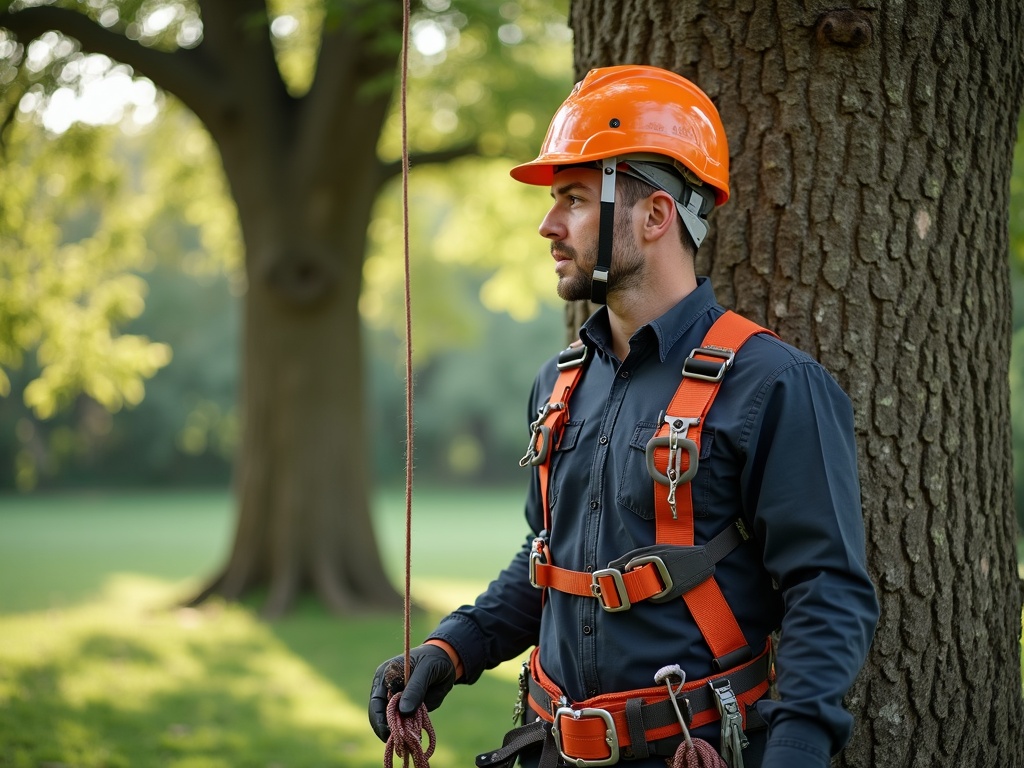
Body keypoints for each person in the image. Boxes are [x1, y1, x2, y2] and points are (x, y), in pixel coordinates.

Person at [369, 64, 879, 768]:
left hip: (697, 752)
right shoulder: (560, 383)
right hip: (548, 749)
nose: (549, 226)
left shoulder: (775, 384)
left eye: (573, 199)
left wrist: (795, 750)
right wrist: (452, 648)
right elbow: (548, 557)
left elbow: (828, 592)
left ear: (655, 215)